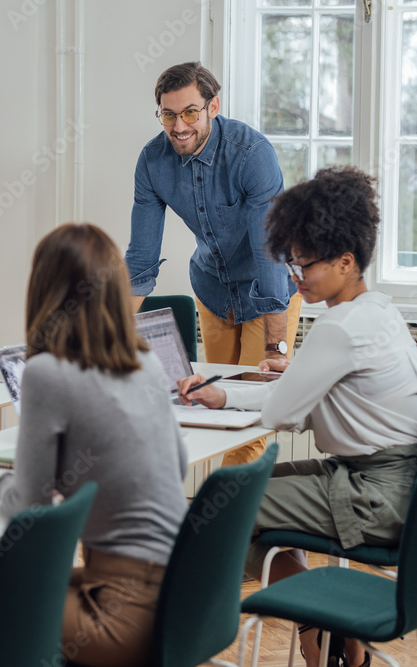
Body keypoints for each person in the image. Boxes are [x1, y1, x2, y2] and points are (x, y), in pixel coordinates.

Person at [178, 166, 417, 667]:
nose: (295, 277)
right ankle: (328, 630)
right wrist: (230, 396)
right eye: (290, 263)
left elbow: (280, 413)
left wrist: (275, 388)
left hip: (373, 495)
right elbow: (313, 396)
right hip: (403, 486)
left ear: (345, 260)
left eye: (304, 264)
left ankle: (324, 625)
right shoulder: (378, 310)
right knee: (240, 494)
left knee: (214, 512)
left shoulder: (338, 327)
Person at [0, 223, 189, 667]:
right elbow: (179, 465)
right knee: (12, 595)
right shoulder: (144, 359)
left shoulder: (47, 373)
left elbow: (29, 505)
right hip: (183, 593)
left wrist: (1, 482)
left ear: (45, 290)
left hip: (122, 614)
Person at [124, 61, 301, 466]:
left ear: (213, 106)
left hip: (269, 292)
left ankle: (230, 523)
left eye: (189, 112)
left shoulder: (252, 154)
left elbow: (270, 252)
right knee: (211, 405)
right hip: (213, 291)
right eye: (168, 114)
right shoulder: (152, 161)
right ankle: (221, 518)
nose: (178, 125)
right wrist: (108, 338)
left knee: (253, 416)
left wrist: (277, 349)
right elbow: (140, 259)